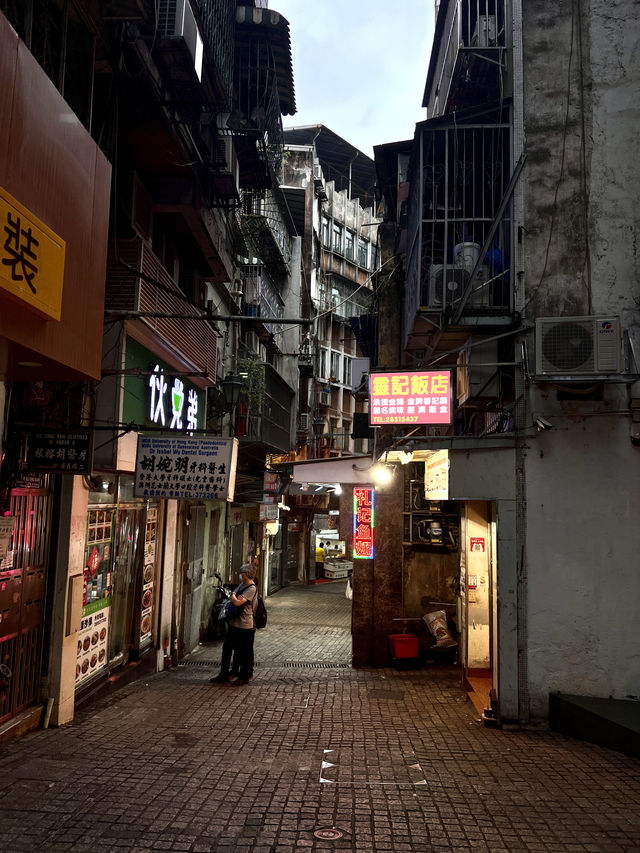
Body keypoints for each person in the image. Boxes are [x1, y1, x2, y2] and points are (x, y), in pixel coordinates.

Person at [210, 564, 257, 685]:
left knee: (243, 652)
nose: (240, 575)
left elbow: (236, 602)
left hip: (245, 625)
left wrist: (234, 597)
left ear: (246, 574)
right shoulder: (242, 585)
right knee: (227, 649)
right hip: (234, 623)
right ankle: (224, 674)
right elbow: (233, 596)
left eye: (242, 573)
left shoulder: (252, 588)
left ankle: (244, 676)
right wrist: (234, 597)